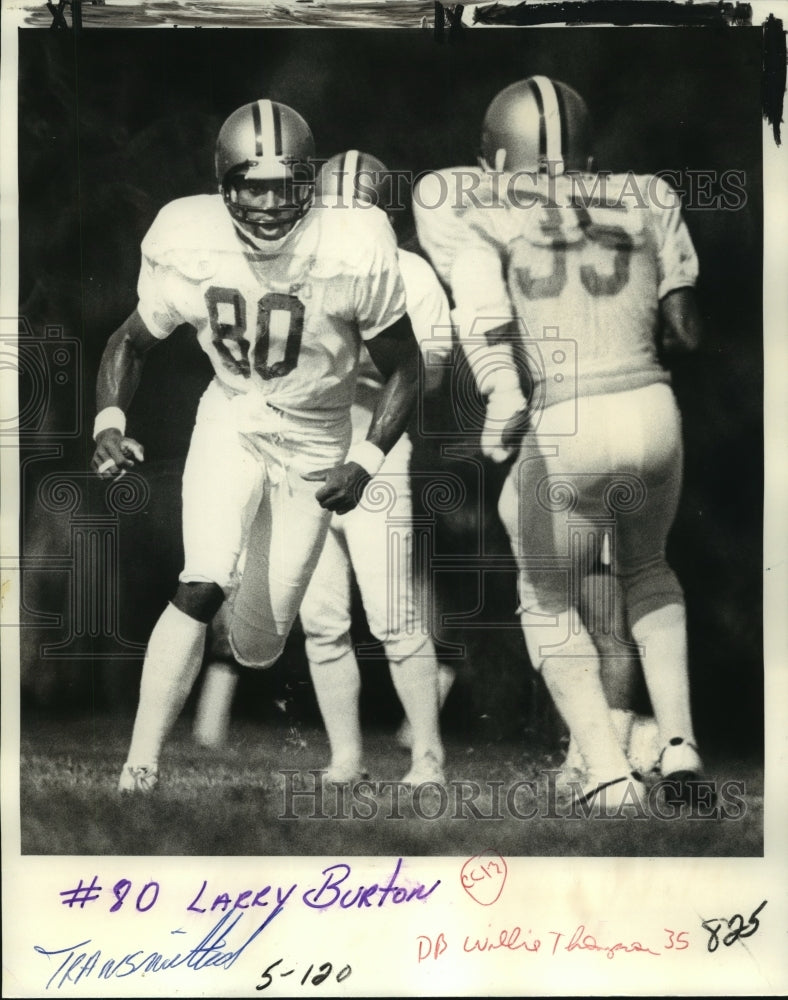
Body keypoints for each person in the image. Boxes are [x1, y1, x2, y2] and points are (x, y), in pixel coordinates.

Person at [91, 100, 422, 794]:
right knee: (202, 575)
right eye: (252, 184)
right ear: (223, 182)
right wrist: (110, 422)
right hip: (235, 417)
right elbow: (130, 340)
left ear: (311, 184)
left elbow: (408, 366)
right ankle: (140, 766)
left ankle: (246, 583)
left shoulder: (353, 245)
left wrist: (364, 462)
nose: (269, 204)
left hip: (318, 436)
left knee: (260, 643)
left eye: (286, 184)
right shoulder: (188, 236)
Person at [415, 76, 703, 808]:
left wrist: (507, 395)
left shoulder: (474, 212)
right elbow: (686, 331)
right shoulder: (649, 194)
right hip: (656, 407)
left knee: (545, 598)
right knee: (649, 569)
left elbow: (482, 319)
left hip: (572, 419)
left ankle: (606, 775)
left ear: (494, 157)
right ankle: (678, 741)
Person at [193, 150, 455, 786]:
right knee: (322, 618)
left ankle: (427, 756)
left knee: (392, 611)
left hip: (375, 448)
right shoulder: (298, 261)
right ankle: (346, 758)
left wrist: (361, 366)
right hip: (305, 446)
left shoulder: (410, 273)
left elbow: (430, 371)